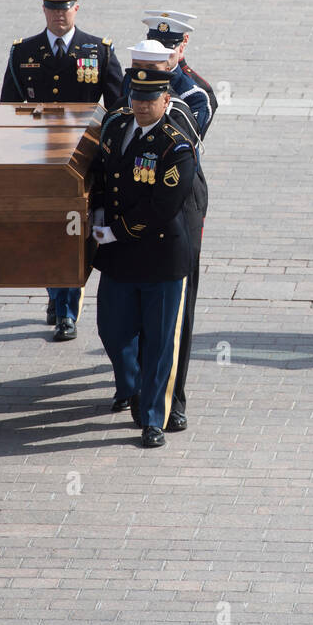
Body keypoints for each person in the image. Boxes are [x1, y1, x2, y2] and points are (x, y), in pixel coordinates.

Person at [0, 0, 124, 342]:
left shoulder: (98, 50)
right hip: (39, 156)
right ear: (43, 10)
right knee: (46, 231)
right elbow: (10, 106)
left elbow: (118, 108)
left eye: (65, 7)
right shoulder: (24, 51)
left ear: (76, 9)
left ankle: (66, 310)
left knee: (73, 233)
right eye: (52, 8)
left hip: (83, 159)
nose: (59, 15)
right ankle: (55, 293)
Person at [90, 67, 196, 448]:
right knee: (113, 330)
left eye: (151, 100)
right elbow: (102, 176)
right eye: (137, 98)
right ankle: (132, 387)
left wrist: (116, 230)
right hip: (119, 257)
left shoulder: (175, 146)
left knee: (160, 341)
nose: (142, 106)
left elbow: (162, 206)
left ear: (166, 101)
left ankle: (154, 417)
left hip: (160, 258)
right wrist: (99, 214)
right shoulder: (118, 129)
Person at [114, 41, 208, 433]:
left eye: (150, 68)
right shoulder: (125, 108)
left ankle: (173, 399)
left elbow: (178, 180)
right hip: (133, 231)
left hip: (177, 225)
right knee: (123, 322)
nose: (140, 76)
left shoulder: (185, 109)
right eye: (136, 68)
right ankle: (139, 387)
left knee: (172, 326)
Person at [143, 11, 216, 125]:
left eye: (167, 49)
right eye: (155, 47)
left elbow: (189, 138)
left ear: (182, 43)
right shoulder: (132, 78)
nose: (160, 54)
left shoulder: (195, 92)